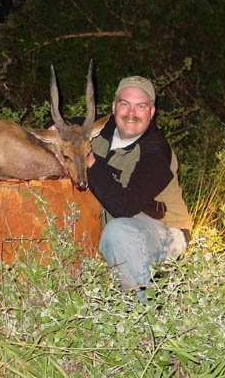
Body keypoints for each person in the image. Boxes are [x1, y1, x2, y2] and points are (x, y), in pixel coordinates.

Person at [87, 76, 192, 301]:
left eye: (141, 106)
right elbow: (69, 124)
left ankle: (142, 315)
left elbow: (126, 206)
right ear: (114, 107)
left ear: (152, 112)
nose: (131, 113)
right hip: (117, 225)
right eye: (125, 103)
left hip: (163, 230)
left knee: (118, 233)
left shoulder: (156, 151)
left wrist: (89, 163)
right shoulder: (99, 132)